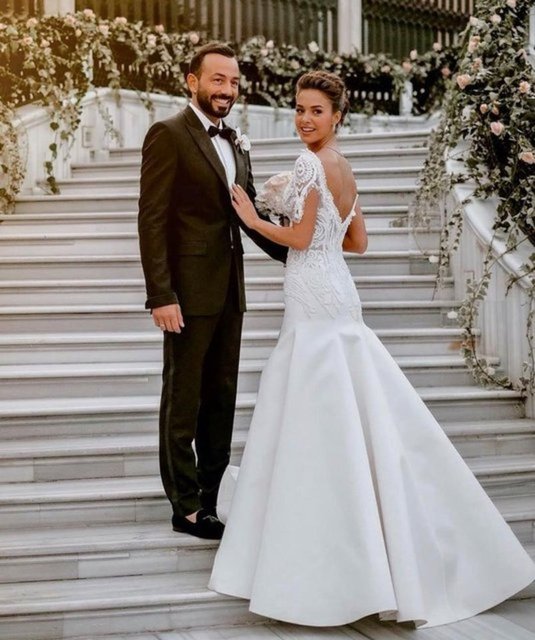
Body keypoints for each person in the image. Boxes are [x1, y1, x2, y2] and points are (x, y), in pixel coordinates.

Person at [208, 70, 535, 628]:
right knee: (353, 408)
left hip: (313, 298)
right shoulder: (344, 165)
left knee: (316, 410)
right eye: (299, 109)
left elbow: (302, 239)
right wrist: (309, 221)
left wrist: (254, 218)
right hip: (336, 292)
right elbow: (357, 242)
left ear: (337, 115)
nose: (305, 119)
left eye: (316, 110)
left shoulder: (311, 163)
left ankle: (330, 556)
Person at [138, 42, 287, 540]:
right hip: (186, 293)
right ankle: (184, 507)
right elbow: (152, 220)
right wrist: (161, 295)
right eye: (217, 79)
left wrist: (296, 253)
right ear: (192, 81)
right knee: (184, 398)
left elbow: (247, 214)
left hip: (229, 291)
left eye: (234, 82)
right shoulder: (169, 134)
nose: (227, 90)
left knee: (221, 397)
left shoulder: (237, 142)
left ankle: (213, 497)